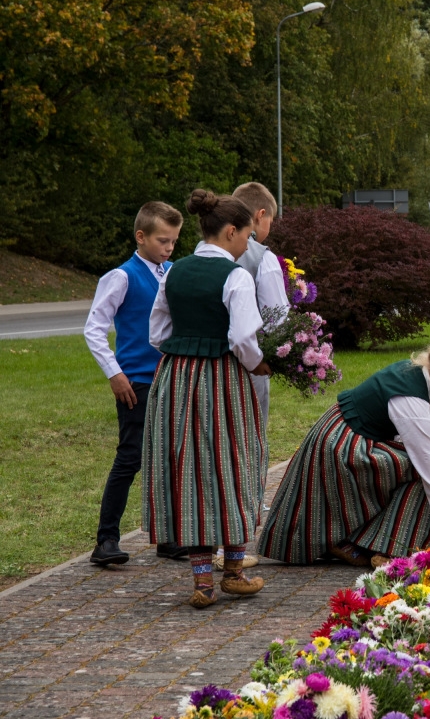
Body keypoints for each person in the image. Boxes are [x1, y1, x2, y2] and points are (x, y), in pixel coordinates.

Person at [142, 190, 270, 609]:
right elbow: (243, 338)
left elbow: (157, 333)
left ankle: (202, 583)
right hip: (222, 378)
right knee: (234, 461)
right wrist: (258, 365)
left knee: (190, 470)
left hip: (177, 377)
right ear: (231, 231)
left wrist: (184, 350)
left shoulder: (173, 271)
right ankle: (233, 570)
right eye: (248, 236)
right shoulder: (236, 276)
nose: (249, 244)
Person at [259, 325, 430, 567]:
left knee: (411, 463)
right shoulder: (412, 400)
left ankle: (361, 540)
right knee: (420, 471)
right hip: (341, 448)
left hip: (338, 435)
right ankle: (390, 548)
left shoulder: (412, 370)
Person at [85, 202, 188, 566]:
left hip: (171, 378)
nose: (169, 248)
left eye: (174, 242)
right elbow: (94, 329)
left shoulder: (174, 272)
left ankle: (169, 537)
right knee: (131, 457)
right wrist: (115, 373)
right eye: (163, 240)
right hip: (137, 383)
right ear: (140, 236)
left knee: (171, 458)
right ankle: (106, 539)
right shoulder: (122, 277)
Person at [231, 182, 288, 432]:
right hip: (250, 363)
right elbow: (277, 317)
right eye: (270, 223)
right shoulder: (263, 258)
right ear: (260, 215)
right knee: (249, 437)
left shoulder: (201, 252)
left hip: (203, 367)